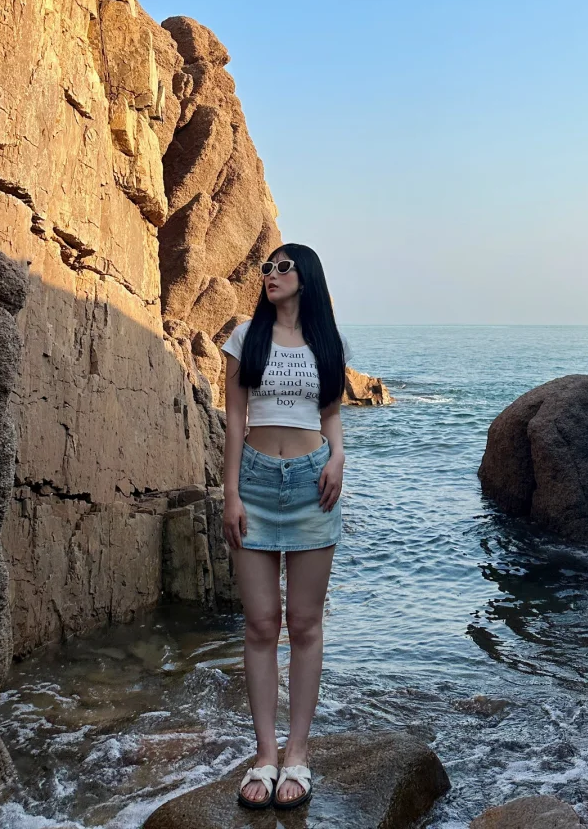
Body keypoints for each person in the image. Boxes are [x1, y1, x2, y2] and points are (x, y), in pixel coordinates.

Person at [222, 242, 346, 811]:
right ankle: (265, 754)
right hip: (253, 481)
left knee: (304, 623)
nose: (270, 274)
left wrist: (338, 456)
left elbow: (329, 414)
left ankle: (298, 754)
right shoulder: (246, 337)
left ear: (306, 277)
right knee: (259, 623)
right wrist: (229, 493)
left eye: (281, 267)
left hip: (311, 483)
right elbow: (235, 419)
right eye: (265, 268)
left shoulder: (328, 343)